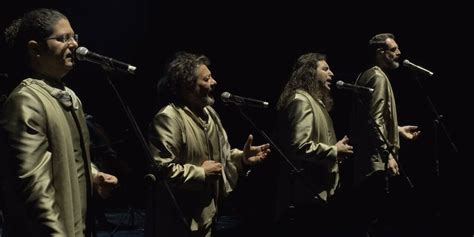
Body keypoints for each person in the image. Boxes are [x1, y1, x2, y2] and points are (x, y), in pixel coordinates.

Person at [0, 8, 118, 236]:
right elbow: (33, 187)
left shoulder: (69, 96)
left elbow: (69, 159)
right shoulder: (26, 101)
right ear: (35, 49)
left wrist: (93, 176)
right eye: (63, 38)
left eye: (74, 37)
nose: (74, 44)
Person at [146, 51, 271, 237]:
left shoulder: (210, 114)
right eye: (207, 79)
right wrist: (201, 173)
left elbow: (222, 156)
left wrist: (242, 159)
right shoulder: (169, 118)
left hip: (206, 218)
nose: (214, 82)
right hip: (178, 223)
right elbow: (162, 170)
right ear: (187, 86)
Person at [275, 52, 354, 236]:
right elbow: (299, 146)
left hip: (318, 195)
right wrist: (334, 150)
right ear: (310, 73)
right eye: (325, 69)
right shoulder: (301, 101)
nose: (332, 73)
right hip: (306, 197)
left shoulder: (316, 103)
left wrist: (336, 152)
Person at [351, 33, 420, 236]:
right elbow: (374, 120)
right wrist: (387, 154)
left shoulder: (366, 75)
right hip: (376, 164)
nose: (399, 53)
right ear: (380, 53)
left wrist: (397, 130)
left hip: (368, 162)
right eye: (393, 50)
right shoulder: (378, 77)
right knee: (377, 222)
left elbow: (368, 120)